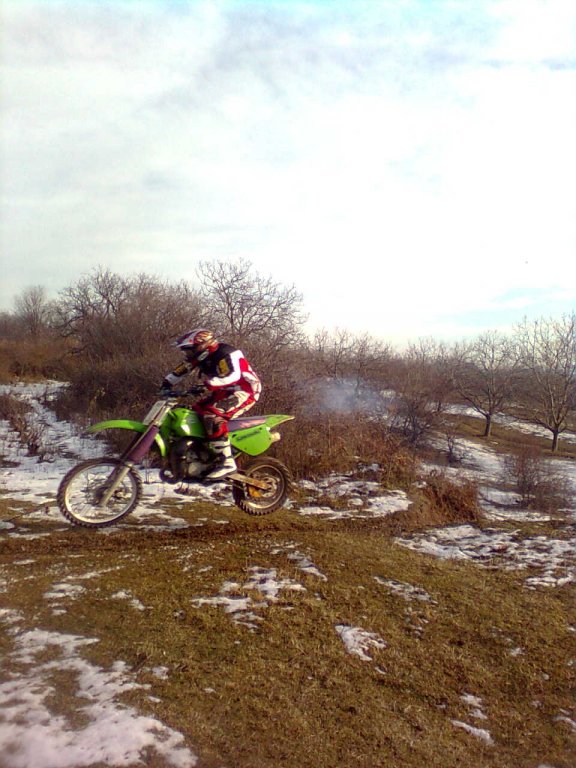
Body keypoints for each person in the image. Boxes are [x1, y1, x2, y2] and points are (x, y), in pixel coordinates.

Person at [160, 328, 261, 480]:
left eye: (190, 350)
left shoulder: (226, 353)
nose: (188, 354)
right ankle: (202, 454)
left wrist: (207, 384)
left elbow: (232, 375)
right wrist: (166, 383)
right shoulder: (200, 356)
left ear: (203, 345)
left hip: (244, 390)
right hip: (223, 391)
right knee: (193, 412)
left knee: (213, 416)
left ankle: (227, 463)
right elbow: (182, 369)